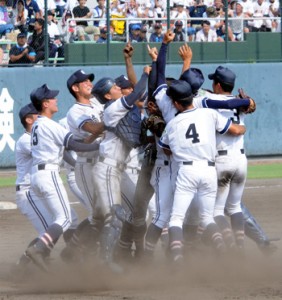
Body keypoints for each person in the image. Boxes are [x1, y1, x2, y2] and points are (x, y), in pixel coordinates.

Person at [158, 79, 246, 263]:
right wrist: (243, 124)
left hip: (186, 171)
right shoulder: (209, 114)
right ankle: (223, 251)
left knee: (176, 219)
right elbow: (236, 129)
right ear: (192, 97)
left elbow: (166, 149)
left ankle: (177, 259)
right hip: (209, 171)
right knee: (207, 218)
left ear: (175, 103)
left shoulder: (173, 124)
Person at [24, 84, 100, 272]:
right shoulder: (49, 124)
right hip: (48, 173)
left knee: (66, 219)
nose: (56, 100)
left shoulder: (38, 125)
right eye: (52, 98)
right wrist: (102, 147)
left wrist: (91, 142)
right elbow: (75, 146)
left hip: (38, 174)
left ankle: (45, 252)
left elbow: (76, 143)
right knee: (65, 219)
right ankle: (39, 249)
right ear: (45, 103)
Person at [91, 66, 149, 271]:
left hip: (115, 170)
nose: (118, 87)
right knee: (114, 216)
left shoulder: (119, 109)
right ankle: (104, 261)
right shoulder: (113, 107)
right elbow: (138, 92)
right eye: (114, 86)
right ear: (108, 95)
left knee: (117, 215)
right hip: (107, 169)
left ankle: (84, 249)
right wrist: (145, 73)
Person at [61, 70, 105, 263]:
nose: (88, 82)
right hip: (86, 167)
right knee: (97, 213)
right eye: (84, 81)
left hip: (104, 165)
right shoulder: (75, 111)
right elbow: (94, 129)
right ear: (75, 88)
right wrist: (114, 120)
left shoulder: (96, 103)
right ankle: (76, 247)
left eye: (89, 79)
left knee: (108, 210)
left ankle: (82, 247)